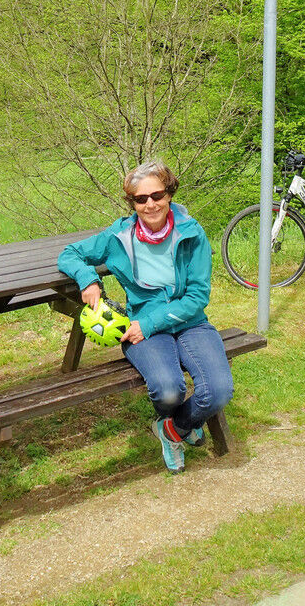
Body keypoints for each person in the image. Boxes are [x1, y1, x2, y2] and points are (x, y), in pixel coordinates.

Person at [57, 160, 234, 474]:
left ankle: (172, 430)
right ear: (132, 202)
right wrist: (88, 279)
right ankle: (183, 424)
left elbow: (197, 297)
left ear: (169, 193)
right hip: (142, 324)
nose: (150, 204)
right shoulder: (119, 235)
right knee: (169, 390)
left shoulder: (191, 232)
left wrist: (151, 323)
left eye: (157, 195)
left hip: (188, 322)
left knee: (218, 391)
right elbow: (70, 253)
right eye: (141, 198)